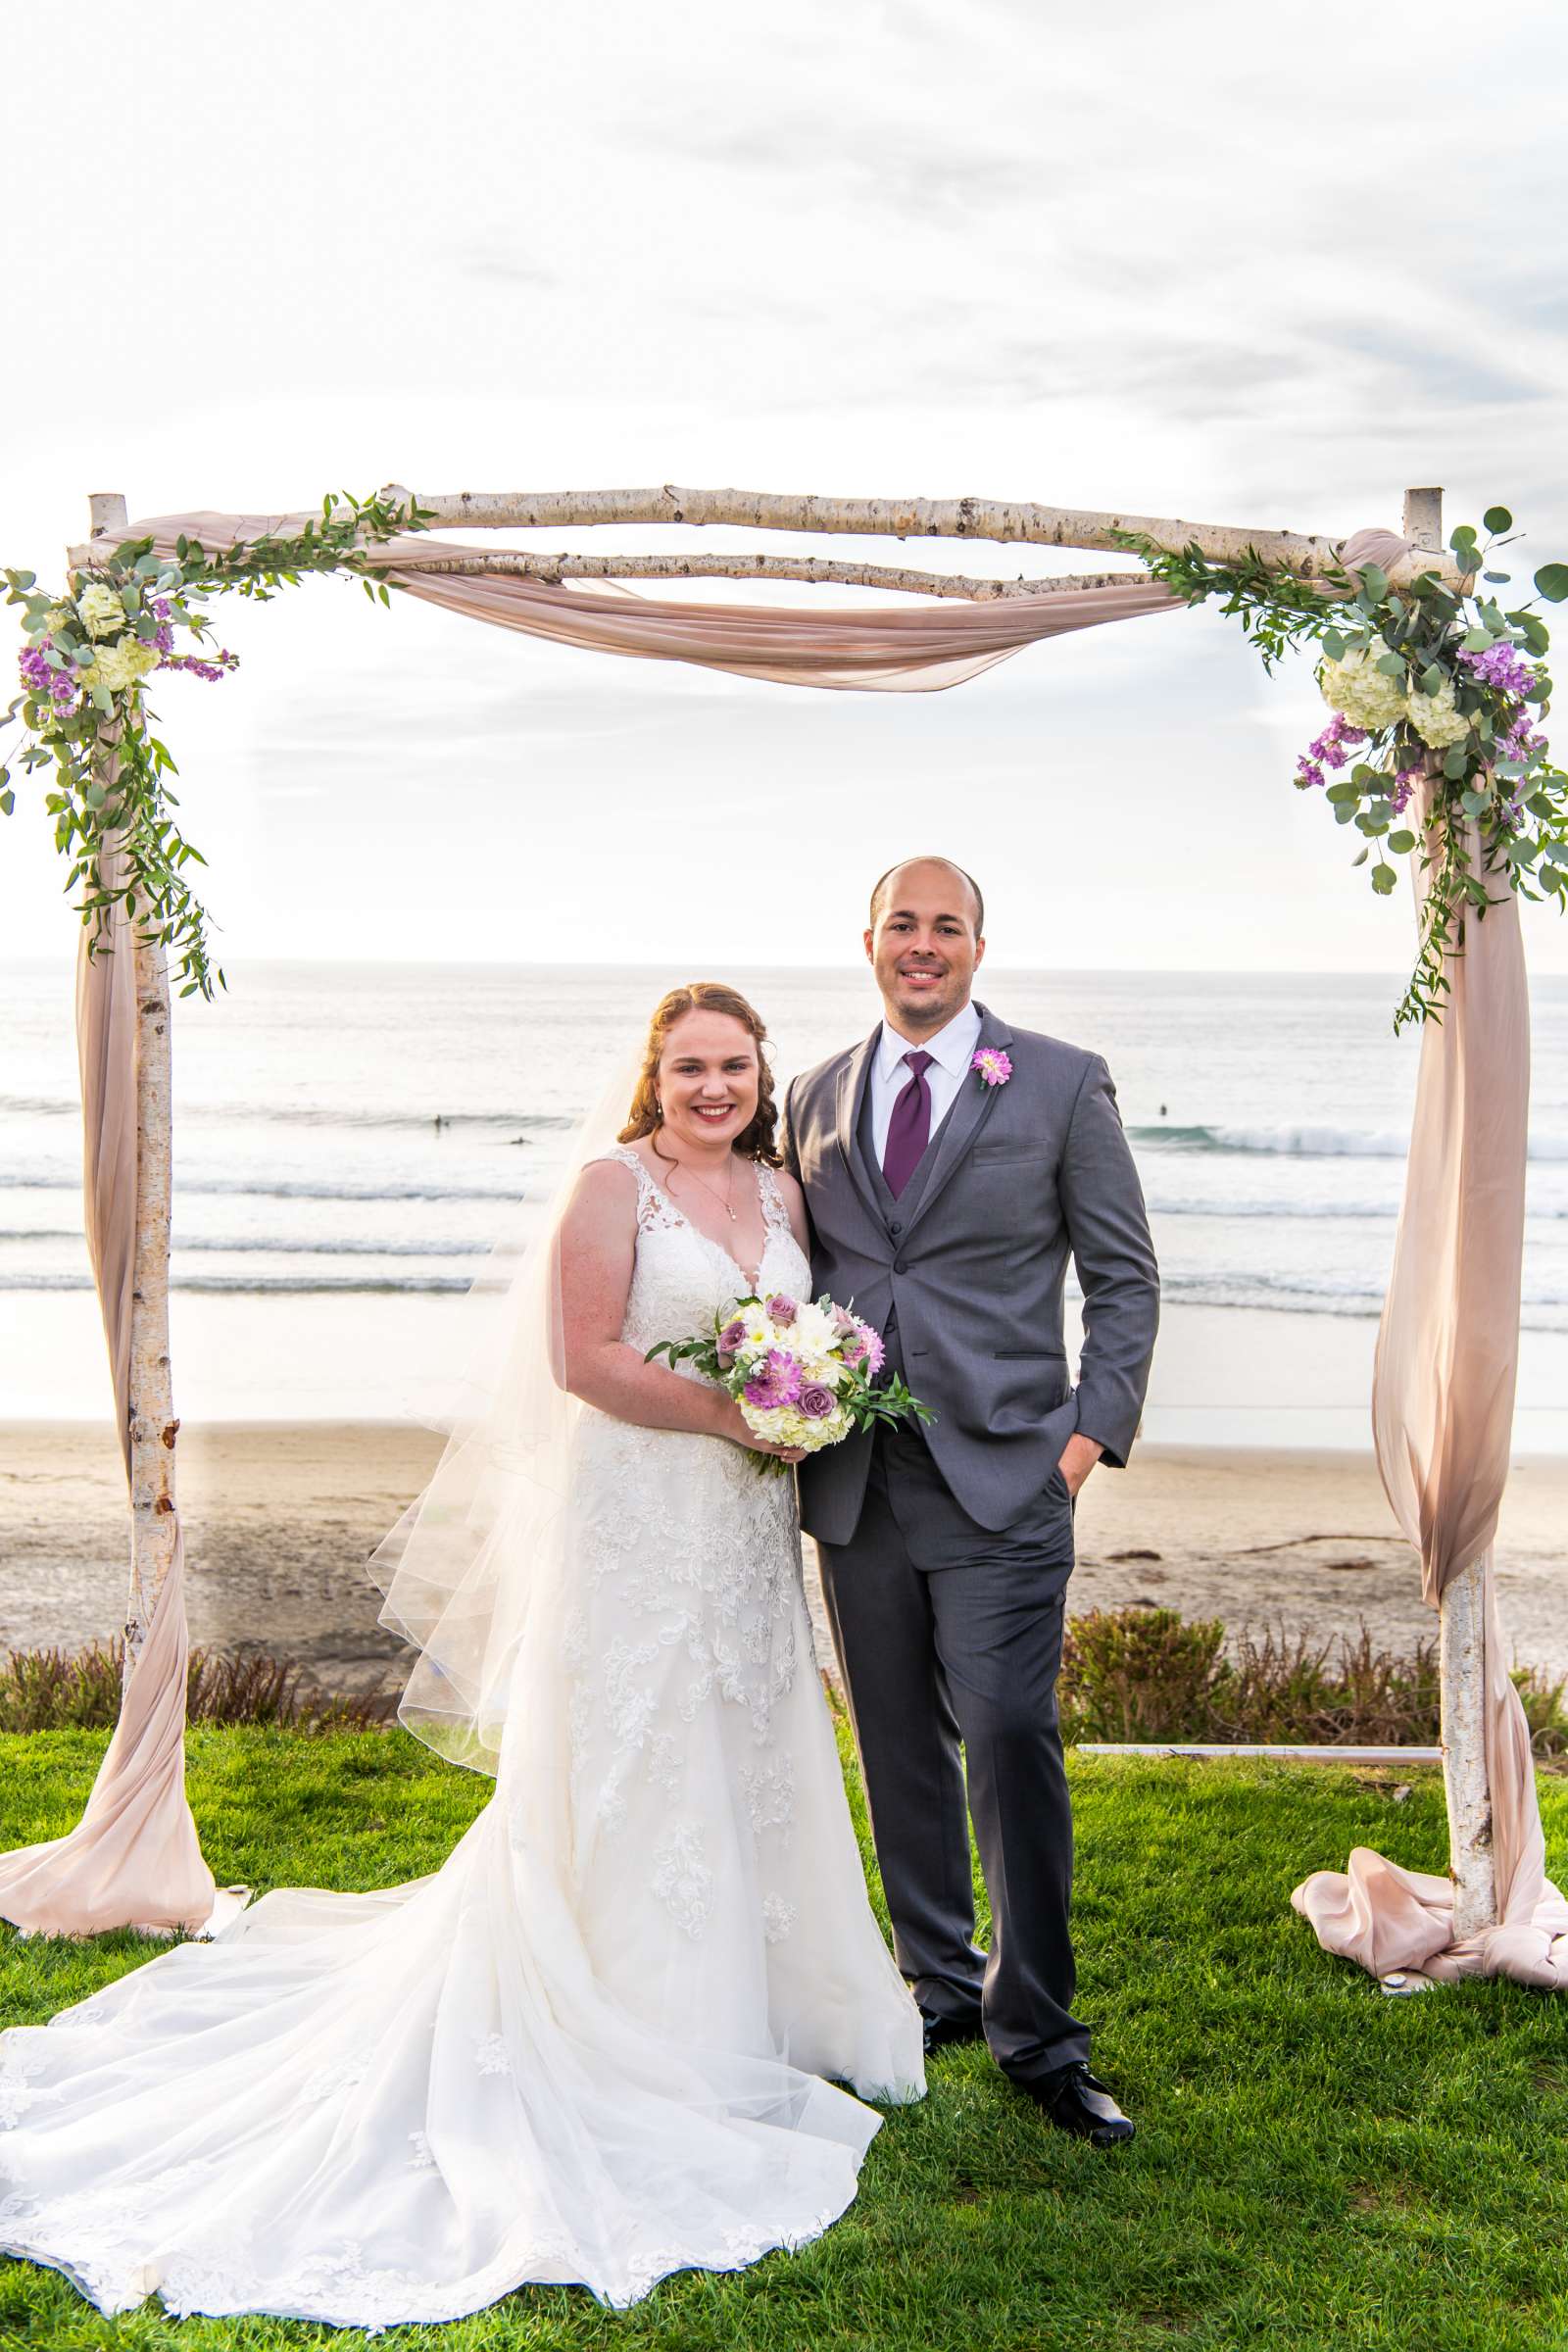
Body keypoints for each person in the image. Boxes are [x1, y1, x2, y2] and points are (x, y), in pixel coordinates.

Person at [0, 982, 923, 2328]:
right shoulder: (612, 1188)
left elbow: (801, 1335)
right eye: (688, 1069)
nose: (712, 1088)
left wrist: (806, 1394)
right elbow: (583, 1361)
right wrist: (741, 1414)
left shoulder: (785, 1198)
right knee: (629, 1754)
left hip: (737, 1534)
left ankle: (771, 2007)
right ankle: (637, 2016)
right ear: (653, 1077)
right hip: (638, 1522)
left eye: (733, 1067)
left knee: (745, 1741)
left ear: (762, 1075)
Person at [782, 858, 1159, 2146]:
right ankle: (938, 1986)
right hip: (858, 1477)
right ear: (870, 940)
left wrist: (1086, 1440)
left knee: (1007, 1734)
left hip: (1008, 1472)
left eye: (947, 926)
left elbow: (1123, 1279)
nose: (923, 945)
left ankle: (1042, 2033)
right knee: (895, 1748)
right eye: (904, 924)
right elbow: (805, 1269)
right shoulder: (811, 1094)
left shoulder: (1059, 1081)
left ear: (979, 946)